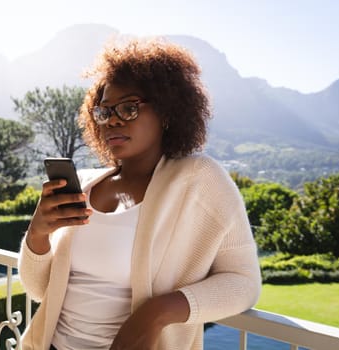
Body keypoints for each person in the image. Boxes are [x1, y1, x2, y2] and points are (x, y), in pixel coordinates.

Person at [18, 37, 261, 350]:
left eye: (129, 108)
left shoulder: (200, 180)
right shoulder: (85, 184)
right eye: (104, 112)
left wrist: (156, 313)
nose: (114, 119)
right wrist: (37, 236)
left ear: (168, 113)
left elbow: (243, 283)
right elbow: (40, 290)